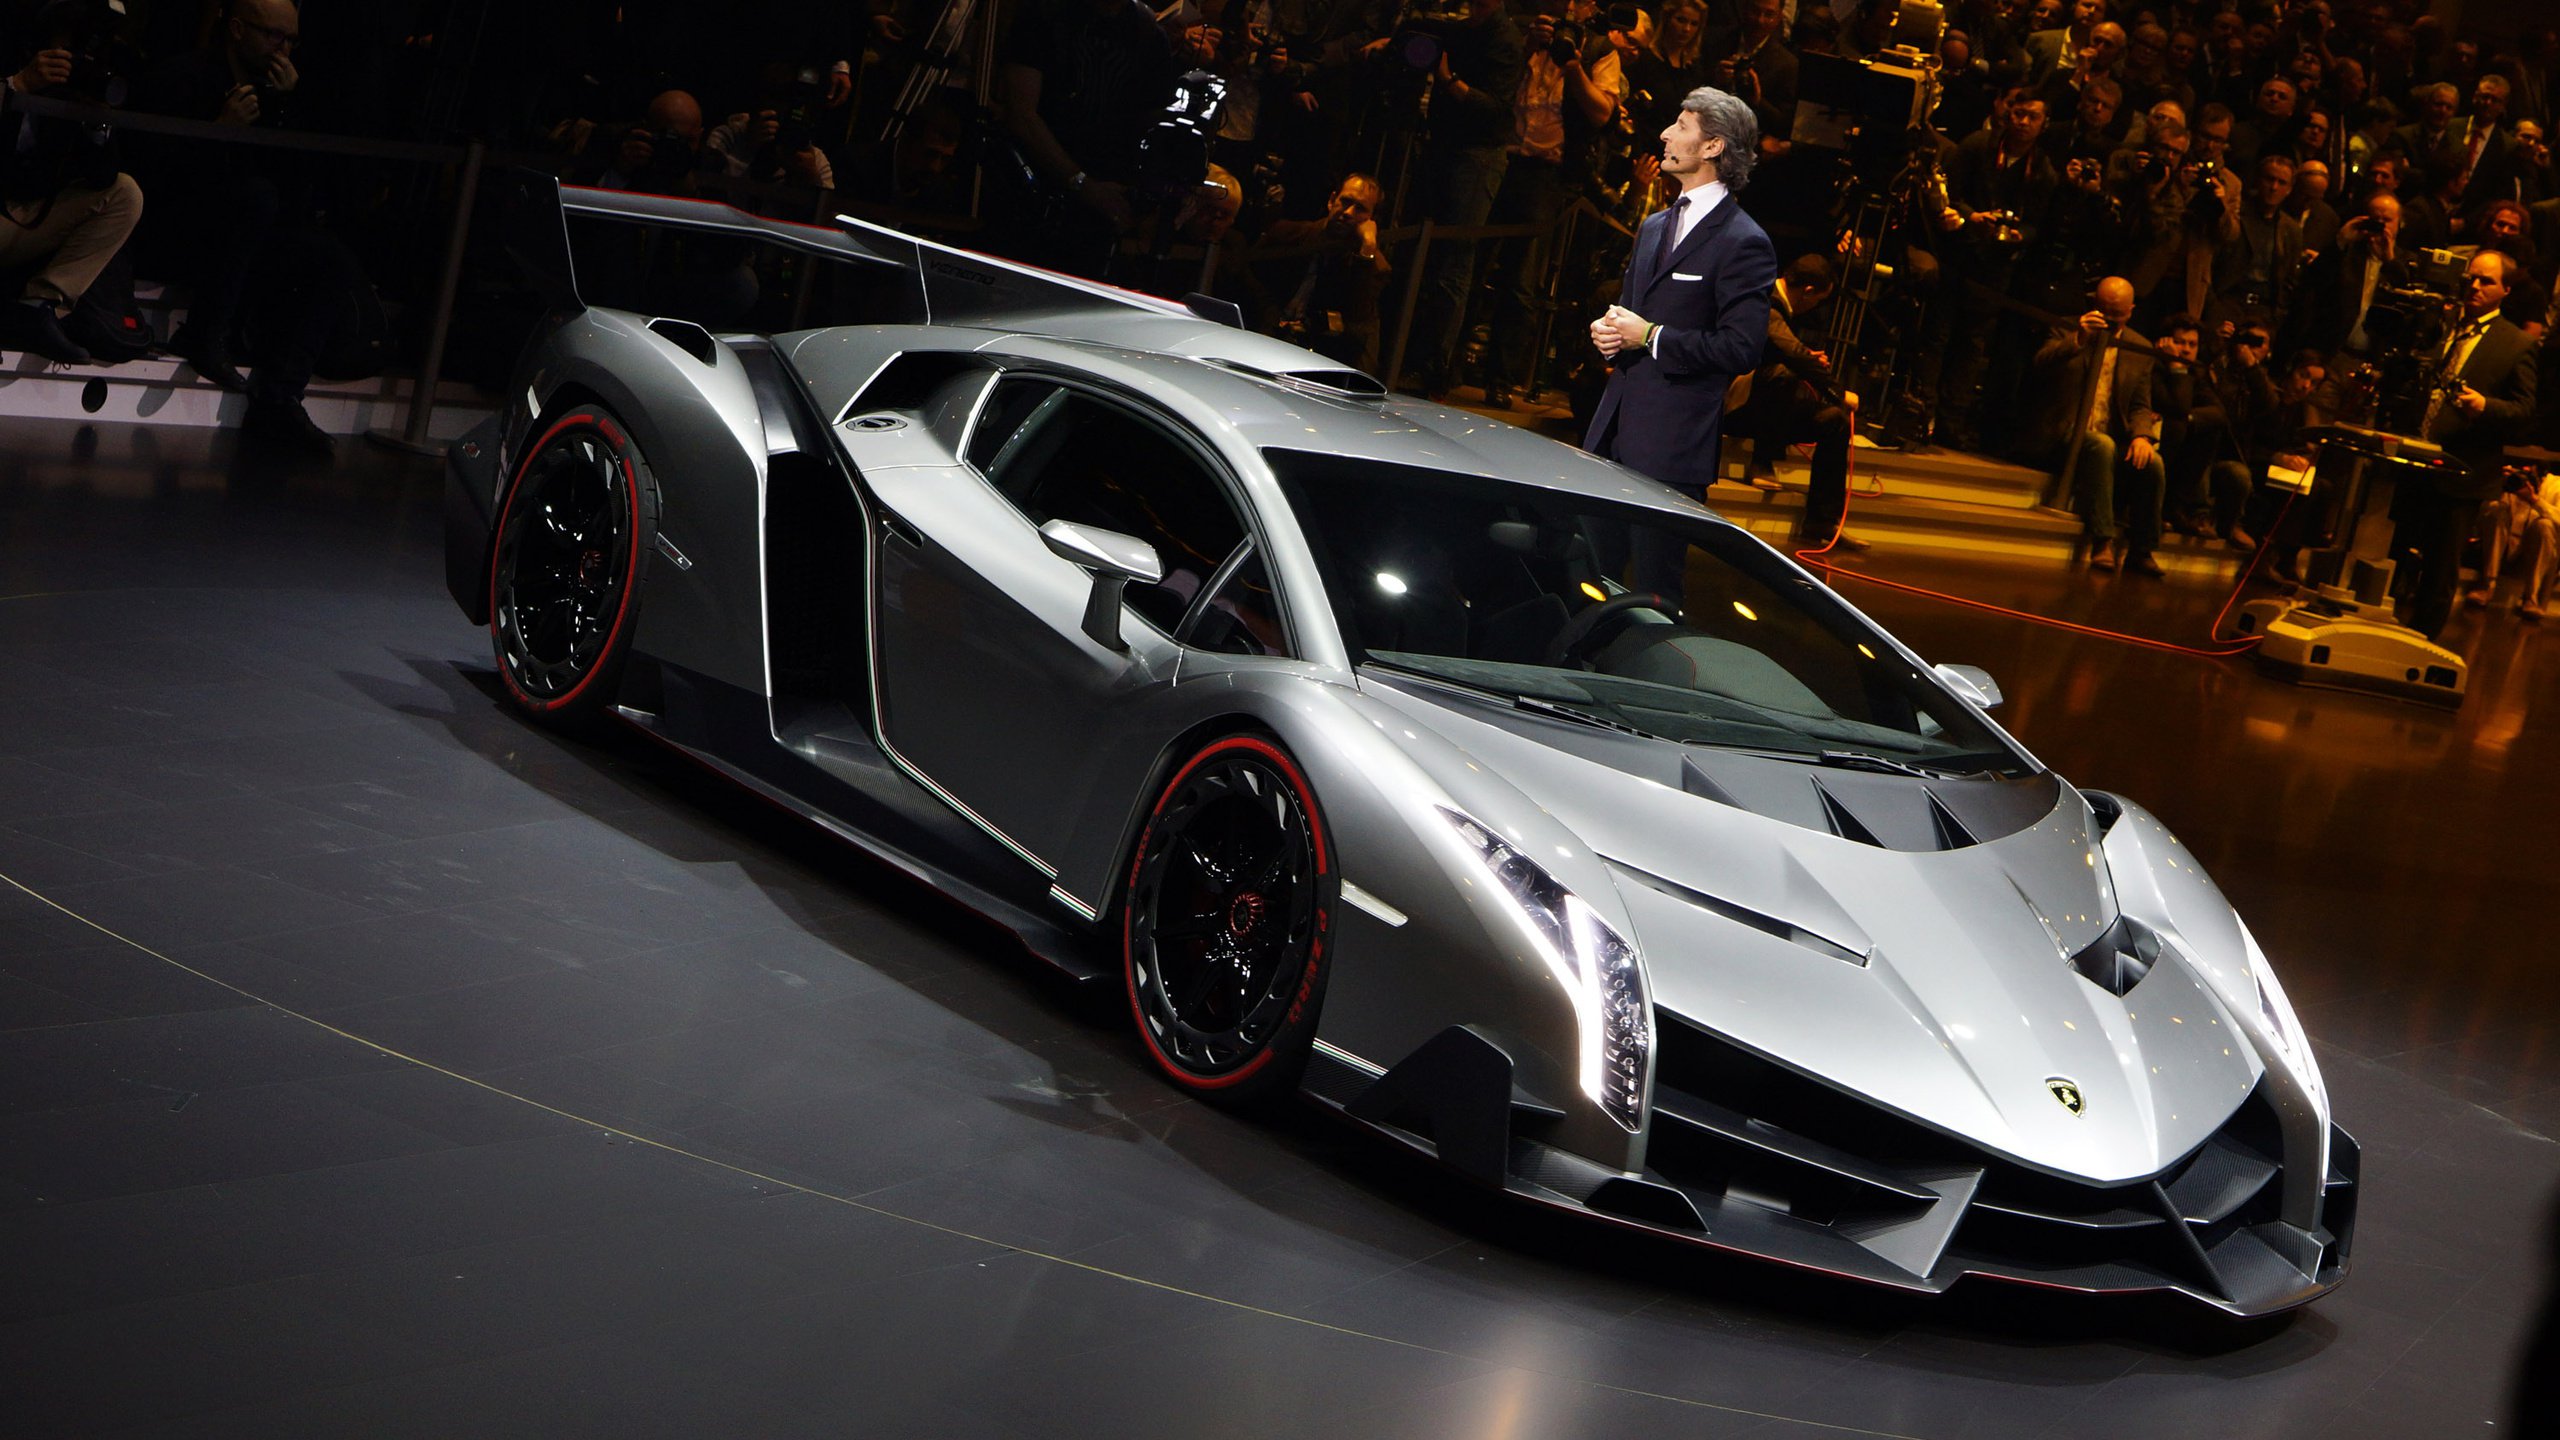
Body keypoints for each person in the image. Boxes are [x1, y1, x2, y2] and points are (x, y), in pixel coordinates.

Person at [1584, 85, 1775, 598]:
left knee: (1655, 591)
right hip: (1611, 434)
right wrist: (1609, 332)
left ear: (1713, 146)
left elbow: (1741, 348)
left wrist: (1651, 336)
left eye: (1682, 126)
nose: (1666, 134)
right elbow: (1630, 314)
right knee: (1590, 584)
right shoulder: (1653, 226)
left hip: (1672, 447)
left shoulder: (1744, 241)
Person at [2404, 250, 2538, 638]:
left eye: (2486, 281)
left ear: (2506, 290)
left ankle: (2421, 642)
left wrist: (2485, 406)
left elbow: (2524, 410)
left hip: (2464, 468)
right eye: (2471, 279)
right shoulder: (2442, 325)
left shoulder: (2516, 343)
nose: (2475, 287)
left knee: (2440, 567)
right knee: (2402, 553)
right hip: (2416, 458)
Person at [0, 22, 144, 365]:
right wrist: (18, 85)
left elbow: (101, 179)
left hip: (20, 220)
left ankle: (37, 307)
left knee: (125, 193)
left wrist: (95, 122)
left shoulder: (69, 95)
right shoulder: (11, 66)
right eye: (63, 52)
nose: (69, 64)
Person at [2033, 275, 2166, 575]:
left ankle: (2142, 548)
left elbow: (2140, 404)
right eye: (2105, 312)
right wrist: (2079, 339)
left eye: (2118, 315)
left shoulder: (2139, 347)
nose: (2111, 321)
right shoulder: (2066, 327)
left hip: (2109, 435)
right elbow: (2041, 364)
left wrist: (2142, 436)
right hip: (2063, 432)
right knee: (2101, 445)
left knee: (2153, 462)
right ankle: (2102, 540)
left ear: (2130, 311)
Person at [1727, 253, 1859, 549]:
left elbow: (1784, 347)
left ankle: (1822, 520)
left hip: (1768, 409)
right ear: (1808, 291)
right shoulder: (1765, 299)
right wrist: (1839, 392)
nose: (1814, 307)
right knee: (1782, 375)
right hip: (1736, 405)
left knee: (1834, 421)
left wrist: (1807, 359)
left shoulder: (1779, 309)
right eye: (1817, 300)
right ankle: (1762, 461)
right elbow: (1788, 351)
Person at [1251, 173, 1392, 368]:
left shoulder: (1374, 266)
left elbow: (1357, 319)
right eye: (1345, 201)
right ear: (1332, 200)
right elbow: (1250, 281)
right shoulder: (1288, 234)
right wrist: (1270, 317)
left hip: (1322, 356)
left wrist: (1367, 248)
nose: (1348, 212)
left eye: (1360, 208)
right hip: (1266, 339)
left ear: (1372, 219)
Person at [2467, 466, 2560, 619]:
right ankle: (2486, 586)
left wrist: (2535, 500)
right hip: (2496, 550)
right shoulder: (2504, 481)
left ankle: (2532, 598)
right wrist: (2497, 486)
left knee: (2545, 525)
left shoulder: (2556, 486)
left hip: (2534, 556)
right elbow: (2479, 515)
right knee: (2496, 510)